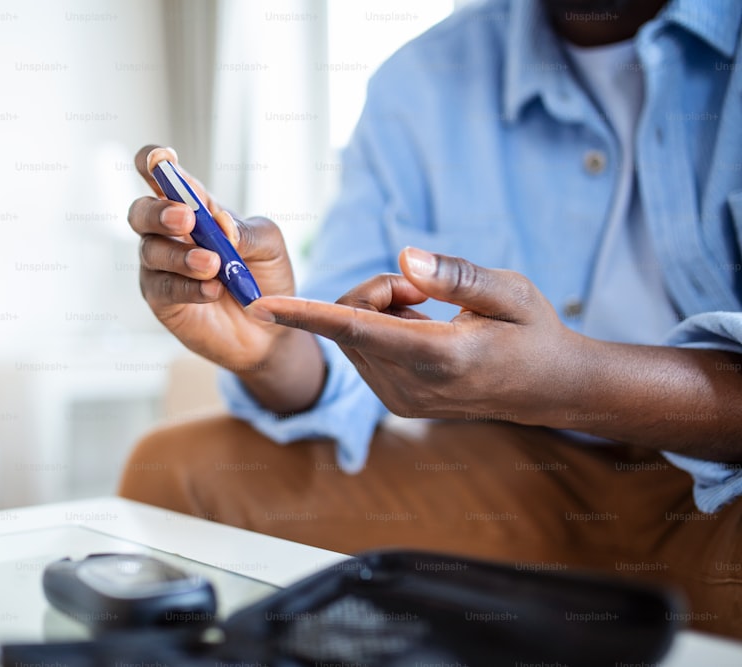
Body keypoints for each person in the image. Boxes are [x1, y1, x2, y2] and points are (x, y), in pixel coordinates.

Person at [121, 0, 742, 637]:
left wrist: (575, 381)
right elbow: (339, 351)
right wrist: (271, 351)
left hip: (724, 489)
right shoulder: (420, 82)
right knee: (178, 468)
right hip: (518, 470)